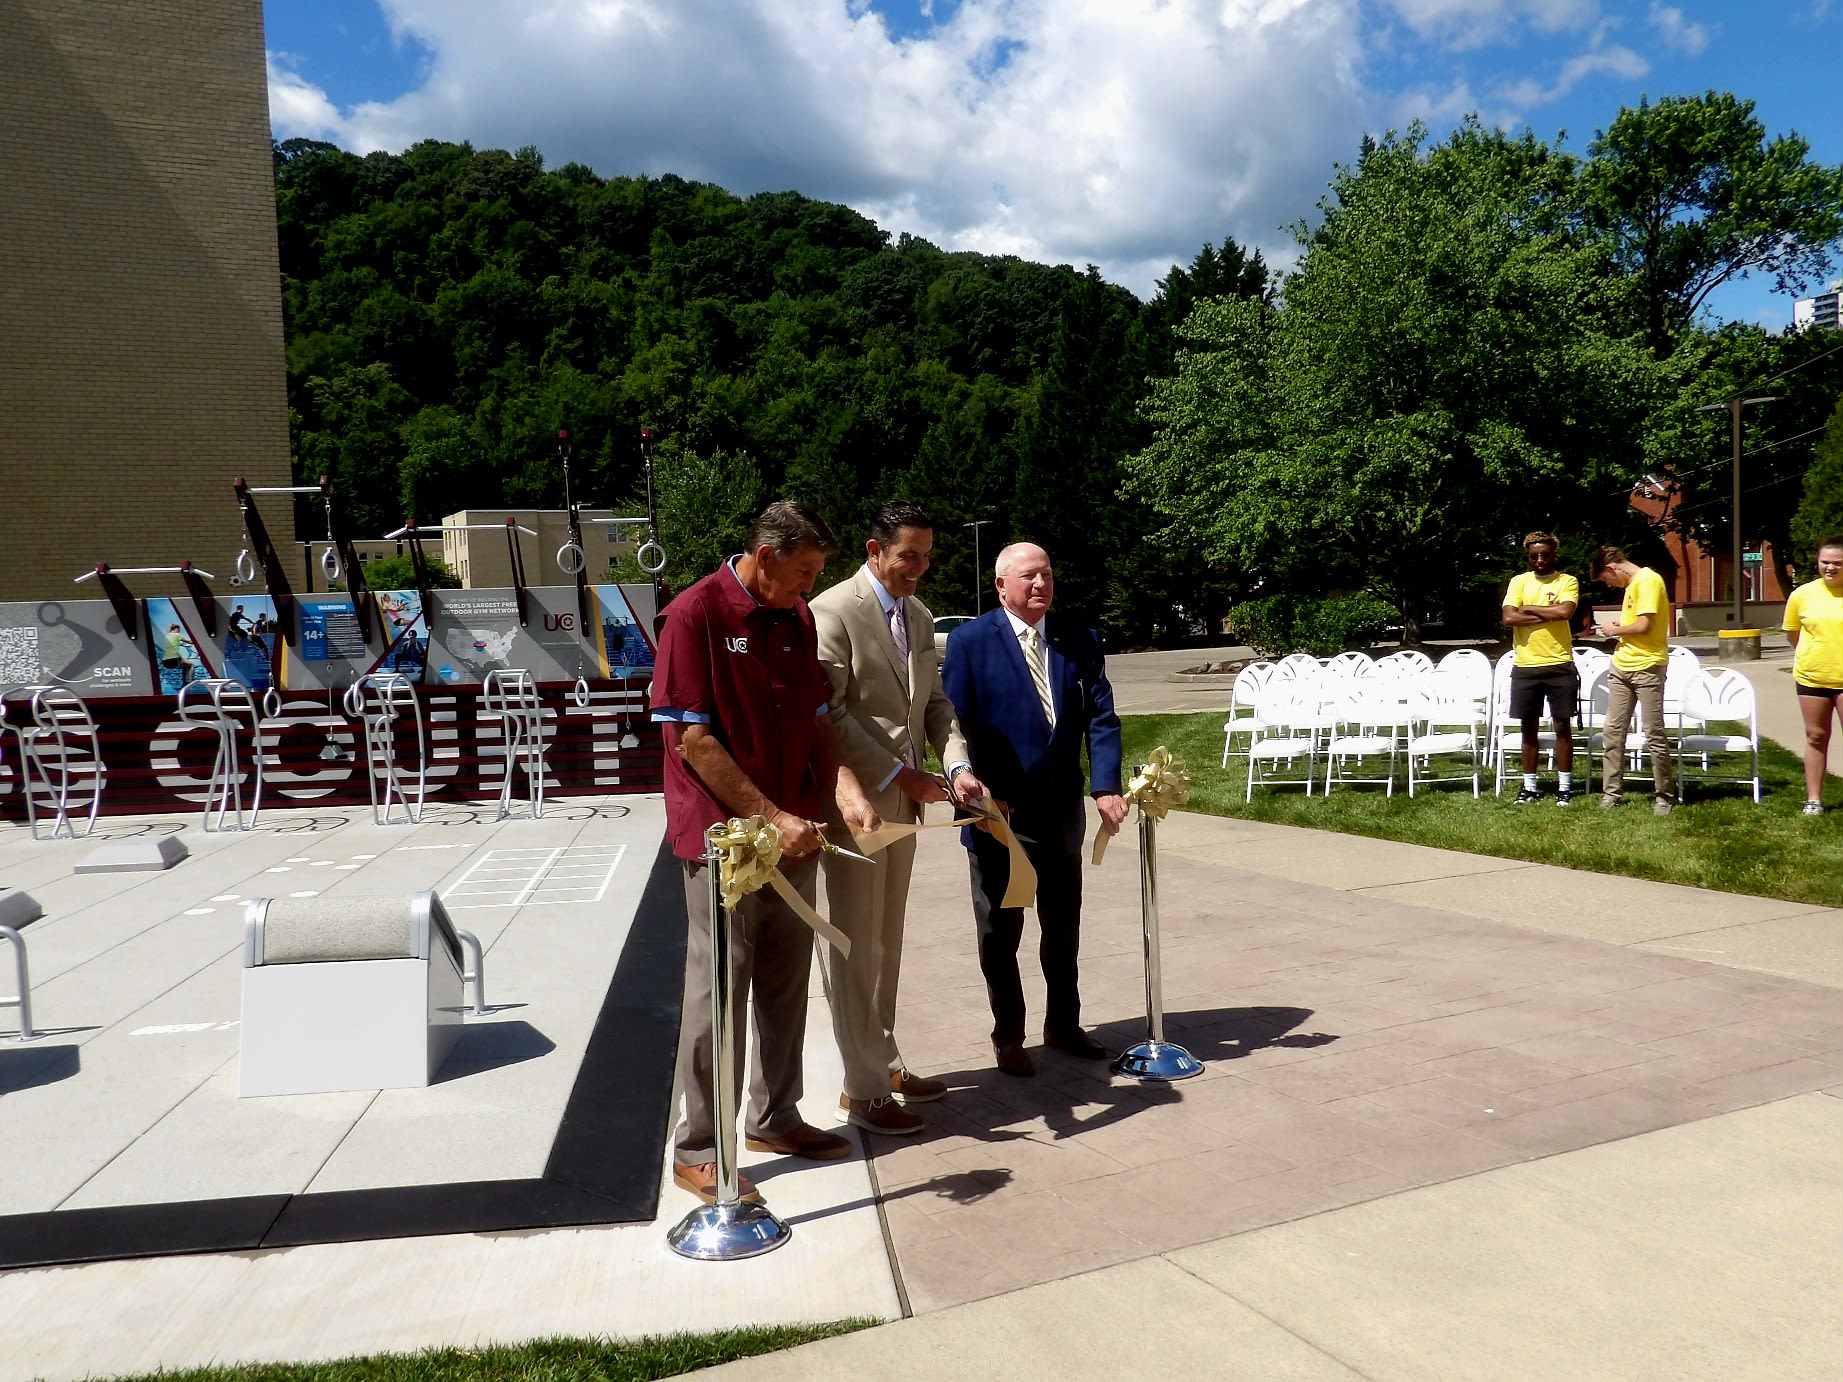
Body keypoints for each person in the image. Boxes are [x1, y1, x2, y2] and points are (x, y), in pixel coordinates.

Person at [650, 500, 881, 1204]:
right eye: (805, 572)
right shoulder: (694, 616)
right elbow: (692, 740)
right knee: (719, 987)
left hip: (793, 834)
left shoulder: (795, 617)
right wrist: (772, 815)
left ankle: (775, 1117)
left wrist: (841, 790)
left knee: (784, 980)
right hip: (726, 841)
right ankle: (697, 1148)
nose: (810, 586)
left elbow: (816, 720)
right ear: (765, 553)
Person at [811, 502, 988, 1134]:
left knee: (886, 943)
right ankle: (861, 1091)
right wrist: (895, 774)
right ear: (874, 549)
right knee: (855, 945)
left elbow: (935, 704)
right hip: (857, 808)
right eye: (907, 555)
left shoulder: (915, 614)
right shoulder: (831, 611)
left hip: (909, 809)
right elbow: (828, 714)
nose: (919, 568)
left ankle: (882, 1061)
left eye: (927, 556)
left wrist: (958, 764)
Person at [941, 542, 1127, 1077]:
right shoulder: (971, 642)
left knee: (1062, 926)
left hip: (1061, 813)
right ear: (1002, 586)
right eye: (1028, 577)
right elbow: (952, 721)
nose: (1040, 584)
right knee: (1001, 932)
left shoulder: (1079, 640)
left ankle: (1063, 1025)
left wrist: (1106, 786)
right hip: (998, 815)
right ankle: (1009, 1035)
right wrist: (973, 785)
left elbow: (1102, 718)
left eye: (1046, 574)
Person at [1589, 546, 1676, 815]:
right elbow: (1636, 622)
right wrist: (1622, 624)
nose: (1609, 584)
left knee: (1654, 733)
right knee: (1613, 732)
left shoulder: (1648, 580)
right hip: (1622, 665)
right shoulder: (1634, 585)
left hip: (1647, 666)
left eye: (1605, 579)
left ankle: (1664, 795)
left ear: (1612, 568)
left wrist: (1614, 630)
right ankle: (1611, 792)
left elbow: (1645, 626)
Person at [1501, 532, 1579, 805]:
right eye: (1534, 556)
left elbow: (1565, 613)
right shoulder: (1518, 581)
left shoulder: (1567, 581)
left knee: (1562, 726)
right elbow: (1509, 617)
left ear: (1554, 554)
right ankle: (1530, 787)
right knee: (1528, 728)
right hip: (1526, 666)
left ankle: (1565, 787)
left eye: (1545, 555)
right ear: (1528, 556)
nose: (1540, 560)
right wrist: (1548, 610)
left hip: (1559, 664)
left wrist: (1529, 609)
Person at [1780, 536, 1843, 815]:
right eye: (1825, 562)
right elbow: (1794, 634)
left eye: (1838, 563)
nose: (1830, 568)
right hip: (1812, 677)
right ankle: (1814, 799)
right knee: (1816, 737)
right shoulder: (1802, 594)